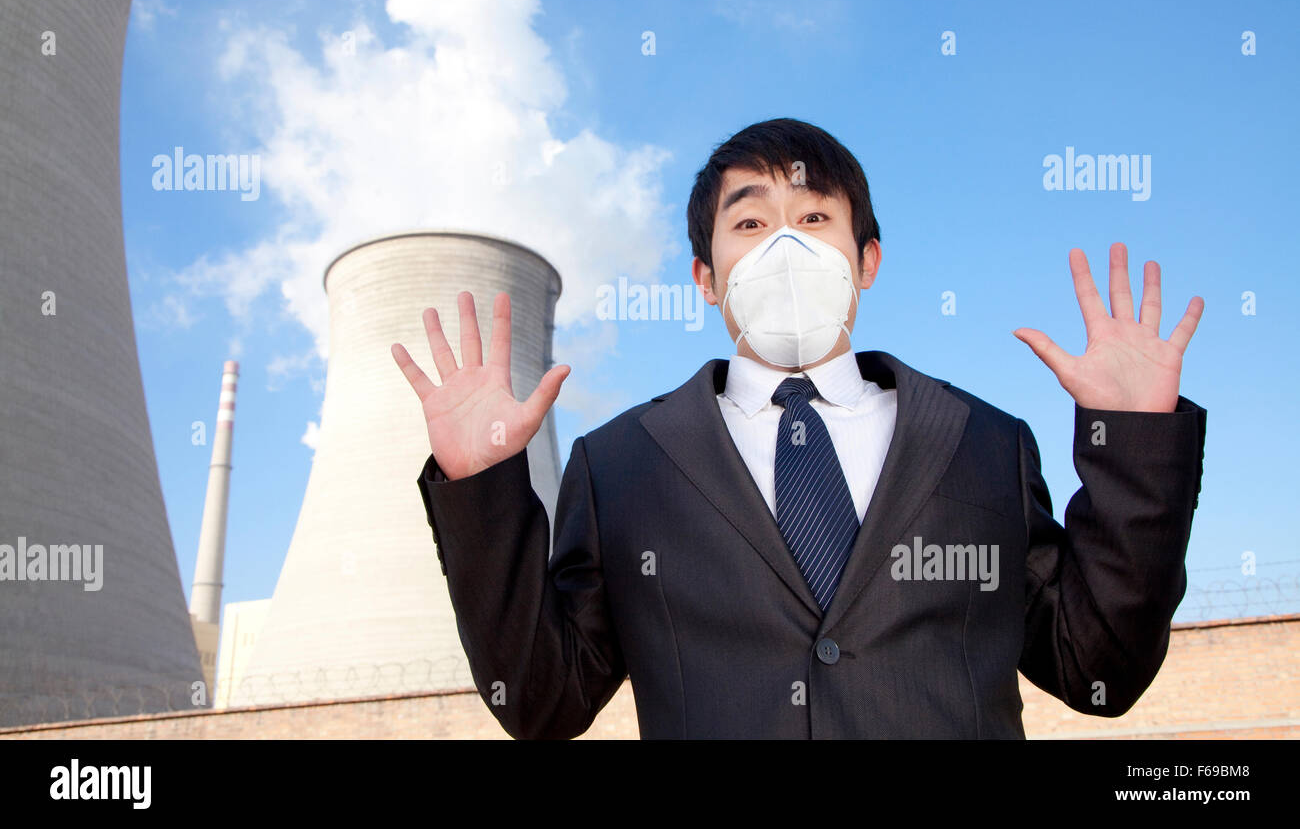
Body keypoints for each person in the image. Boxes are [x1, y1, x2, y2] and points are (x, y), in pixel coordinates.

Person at [391, 117, 1207, 739]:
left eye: (814, 218)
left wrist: (1135, 440)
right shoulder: (622, 465)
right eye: (750, 224)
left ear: (867, 260)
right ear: (706, 278)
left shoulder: (983, 443)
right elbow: (543, 701)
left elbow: (1099, 669)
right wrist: (481, 488)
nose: (784, 245)